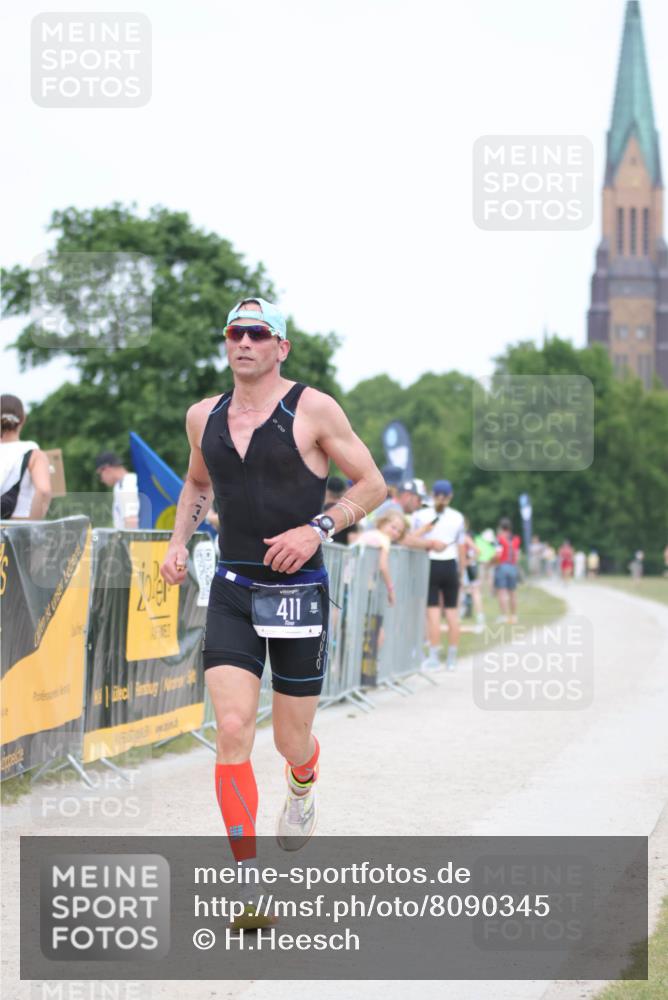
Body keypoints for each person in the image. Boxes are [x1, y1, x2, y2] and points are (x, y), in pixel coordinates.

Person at [159, 297, 385, 916]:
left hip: (297, 590)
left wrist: (319, 527)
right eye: (235, 332)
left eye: (258, 333)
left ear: (280, 346)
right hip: (232, 584)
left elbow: (372, 484)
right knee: (232, 729)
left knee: (291, 740)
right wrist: (179, 543)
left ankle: (303, 782)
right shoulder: (201, 415)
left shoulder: (313, 408)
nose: (245, 342)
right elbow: (198, 483)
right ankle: (247, 882)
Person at [410, 479, 466, 671]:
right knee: (452, 613)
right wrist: (462, 572)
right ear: (450, 497)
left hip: (431, 563)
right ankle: (452, 658)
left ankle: (433, 656)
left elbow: (411, 537)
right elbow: (461, 546)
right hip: (450, 565)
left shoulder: (421, 515)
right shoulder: (458, 517)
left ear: (432, 495)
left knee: (432, 613)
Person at [0, 394, 52, 521]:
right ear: (23, 419)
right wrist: (32, 526)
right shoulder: (34, 454)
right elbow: (44, 490)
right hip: (15, 532)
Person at [95, 451, 140, 530]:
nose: (101, 479)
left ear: (106, 469)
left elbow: (131, 521)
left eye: (100, 474)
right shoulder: (120, 486)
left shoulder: (127, 485)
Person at [494, 518, 521, 623]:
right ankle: (514, 616)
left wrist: (493, 564)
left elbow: (498, 555)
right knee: (513, 593)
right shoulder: (516, 539)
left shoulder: (499, 539)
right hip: (513, 566)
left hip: (502, 566)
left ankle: (504, 616)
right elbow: (517, 555)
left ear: (501, 527)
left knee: (502, 592)